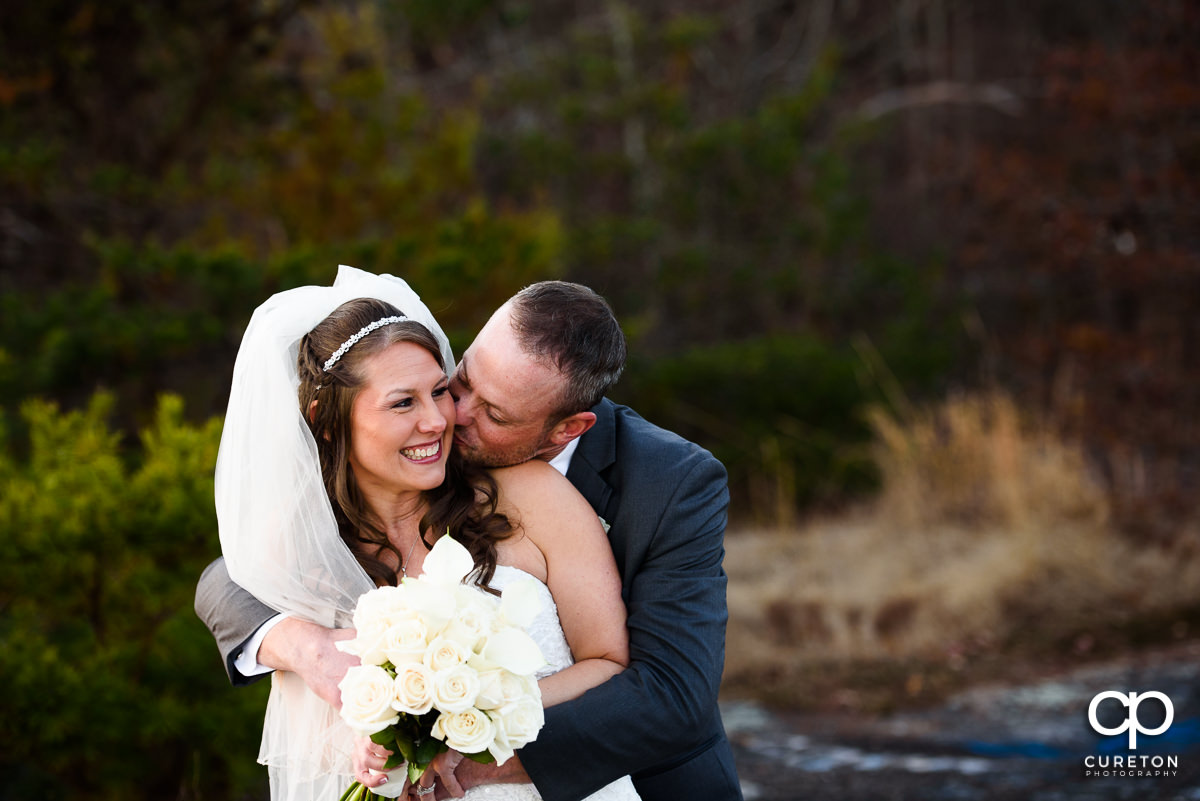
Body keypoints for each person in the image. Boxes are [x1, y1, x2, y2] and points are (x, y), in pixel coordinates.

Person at [197, 271, 743, 801]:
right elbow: (231, 575)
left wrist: (464, 739)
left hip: (635, 777)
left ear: (567, 431)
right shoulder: (351, 493)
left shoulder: (668, 483)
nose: (448, 416)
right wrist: (309, 650)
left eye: (494, 414)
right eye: (458, 382)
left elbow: (670, 693)